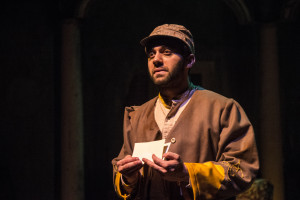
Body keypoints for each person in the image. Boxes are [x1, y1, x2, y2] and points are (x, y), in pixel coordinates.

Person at [112, 24, 259, 200]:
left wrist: (187, 173)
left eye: (166, 52)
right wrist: (129, 177)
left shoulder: (222, 109)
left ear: (189, 61)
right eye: (151, 54)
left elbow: (242, 169)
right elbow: (120, 173)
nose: (156, 59)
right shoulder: (137, 116)